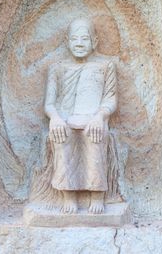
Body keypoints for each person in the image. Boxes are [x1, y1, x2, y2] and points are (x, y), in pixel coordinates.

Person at [44, 18, 117, 214]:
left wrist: (100, 117)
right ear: (67, 41)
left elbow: (110, 98)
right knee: (62, 138)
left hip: (93, 119)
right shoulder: (57, 67)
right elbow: (49, 103)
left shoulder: (105, 66)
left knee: (95, 138)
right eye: (75, 39)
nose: (79, 43)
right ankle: (68, 195)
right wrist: (56, 119)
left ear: (95, 41)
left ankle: (97, 195)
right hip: (65, 119)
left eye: (84, 39)